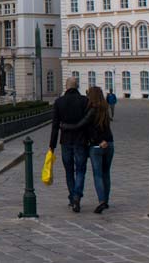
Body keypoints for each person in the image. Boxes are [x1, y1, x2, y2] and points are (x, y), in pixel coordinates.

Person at [62, 86, 115, 214]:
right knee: (106, 173)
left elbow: (82, 125)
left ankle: (101, 201)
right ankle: (106, 200)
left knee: (97, 175)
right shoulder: (105, 108)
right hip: (110, 144)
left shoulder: (92, 110)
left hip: (96, 146)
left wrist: (64, 126)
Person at [48, 76, 89, 212]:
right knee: (81, 169)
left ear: (66, 87)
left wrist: (52, 145)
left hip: (65, 140)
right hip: (81, 139)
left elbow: (55, 125)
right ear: (77, 87)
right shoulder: (84, 101)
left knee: (69, 170)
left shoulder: (59, 102)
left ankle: (72, 197)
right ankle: (77, 194)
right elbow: (89, 122)